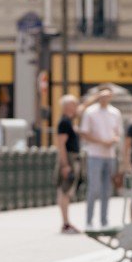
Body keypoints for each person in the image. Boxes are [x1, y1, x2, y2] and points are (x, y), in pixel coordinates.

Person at [79, 86, 123, 228]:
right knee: (94, 188)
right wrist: (101, 142)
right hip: (95, 154)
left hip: (110, 155)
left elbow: (118, 132)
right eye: (102, 96)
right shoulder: (90, 112)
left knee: (107, 189)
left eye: (108, 96)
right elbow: (84, 133)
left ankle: (104, 220)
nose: (105, 99)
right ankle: (89, 220)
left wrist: (113, 141)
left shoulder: (115, 113)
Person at [55, 94, 83, 233]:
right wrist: (65, 164)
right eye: (74, 104)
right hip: (69, 159)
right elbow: (61, 144)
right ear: (67, 106)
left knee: (67, 191)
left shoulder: (70, 121)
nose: (77, 107)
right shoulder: (65, 122)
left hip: (72, 158)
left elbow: (83, 108)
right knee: (64, 191)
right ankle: (65, 223)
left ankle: (66, 222)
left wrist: (96, 97)